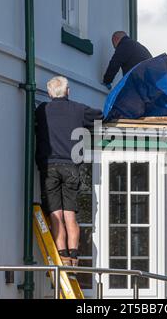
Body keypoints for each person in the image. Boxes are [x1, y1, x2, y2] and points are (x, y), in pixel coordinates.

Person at [35, 76, 103, 268]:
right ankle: (74, 257)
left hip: (49, 167)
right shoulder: (79, 109)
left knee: (56, 215)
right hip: (71, 166)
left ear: (49, 93)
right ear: (68, 91)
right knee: (70, 215)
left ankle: (63, 257)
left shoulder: (42, 110)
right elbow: (99, 116)